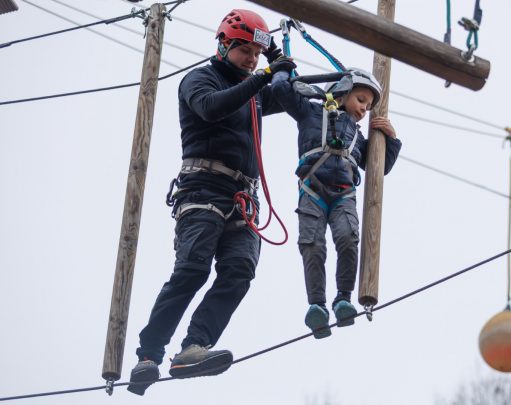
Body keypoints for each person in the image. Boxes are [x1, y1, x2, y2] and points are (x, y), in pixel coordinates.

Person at [127, 9, 296, 395]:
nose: (251, 60)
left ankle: (193, 348)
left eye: (257, 53)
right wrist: (264, 76)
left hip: (243, 198)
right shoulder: (200, 80)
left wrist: (278, 62)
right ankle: (148, 355)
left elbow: (290, 95)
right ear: (223, 45)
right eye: (245, 51)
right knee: (192, 269)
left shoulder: (255, 89)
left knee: (239, 271)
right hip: (203, 189)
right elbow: (212, 107)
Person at [270, 68, 401, 339]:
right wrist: (281, 69)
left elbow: (380, 167)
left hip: (343, 195)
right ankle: (317, 305)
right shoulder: (310, 113)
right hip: (312, 191)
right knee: (312, 245)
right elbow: (281, 90)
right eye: (361, 100)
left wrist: (391, 138)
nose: (364, 109)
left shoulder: (358, 137)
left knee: (347, 239)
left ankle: (343, 298)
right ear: (341, 93)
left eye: (368, 106)